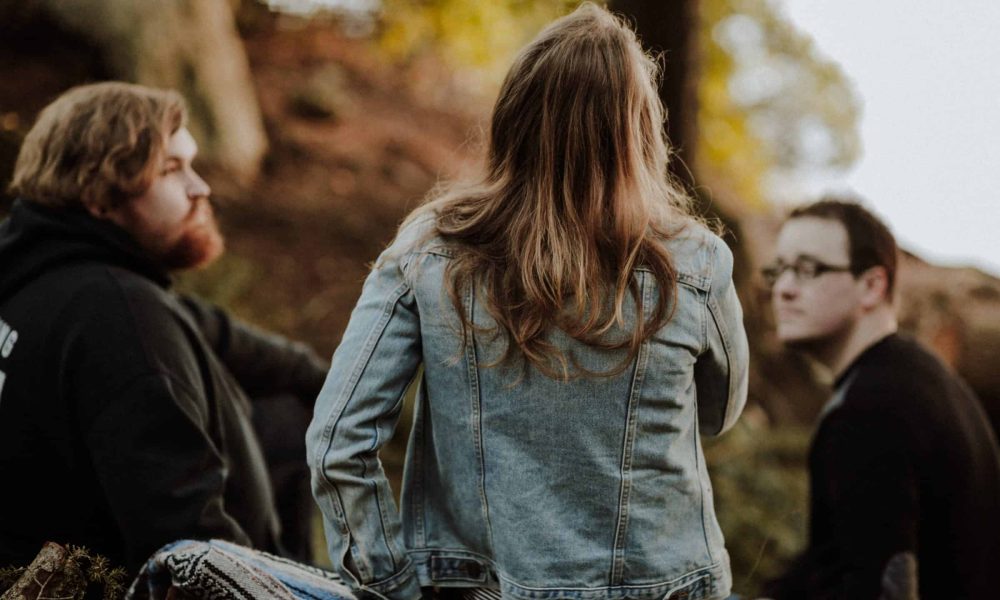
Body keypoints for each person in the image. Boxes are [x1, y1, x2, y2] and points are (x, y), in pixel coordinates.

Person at [306, 4, 749, 600]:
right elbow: (718, 415)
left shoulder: (432, 249)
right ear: (642, 130)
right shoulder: (694, 263)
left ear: (513, 116)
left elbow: (337, 442)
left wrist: (391, 584)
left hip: (479, 587)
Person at [0, 82, 327, 574]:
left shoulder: (41, 276)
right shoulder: (118, 317)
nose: (201, 187)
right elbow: (192, 550)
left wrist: (350, 392)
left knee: (285, 407)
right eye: (172, 169)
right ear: (100, 194)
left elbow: (231, 340)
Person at [761, 198, 1000, 599]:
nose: (783, 289)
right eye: (778, 271)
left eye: (807, 269)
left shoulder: (871, 410)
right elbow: (844, 555)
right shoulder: (914, 375)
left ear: (872, 285)